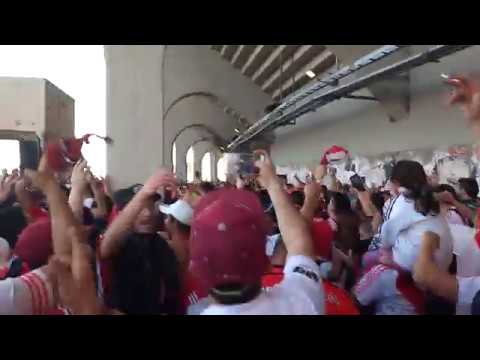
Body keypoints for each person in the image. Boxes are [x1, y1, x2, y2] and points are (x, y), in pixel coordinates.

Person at [189, 150, 324, 315]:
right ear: (265, 260)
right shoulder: (302, 301)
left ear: (197, 267)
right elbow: (298, 241)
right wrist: (273, 184)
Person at [99, 169, 181, 314]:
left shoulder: (160, 244)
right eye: (141, 207)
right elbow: (105, 246)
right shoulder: (120, 242)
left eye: (151, 206)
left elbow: (172, 289)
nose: (148, 213)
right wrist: (144, 192)